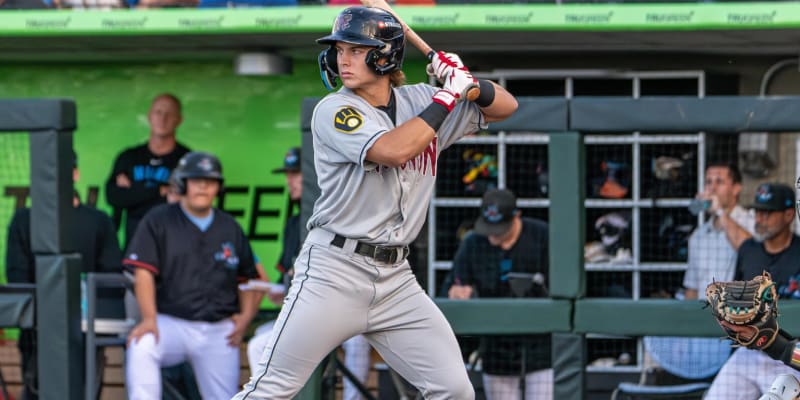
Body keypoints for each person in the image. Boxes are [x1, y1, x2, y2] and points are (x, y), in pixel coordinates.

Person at [234, 6, 517, 399]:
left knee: (454, 390)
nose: (342, 59)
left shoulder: (421, 99)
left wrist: (470, 85)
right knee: (272, 389)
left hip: (395, 278)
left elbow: (506, 106)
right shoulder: (333, 108)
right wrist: (448, 96)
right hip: (335, 271)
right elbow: (394, 149)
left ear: (385, 55)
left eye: (356, 49)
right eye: (339, 50)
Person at [124, 151, 259, 399]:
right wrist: (149, 318)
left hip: (217, 328)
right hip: (171, 323)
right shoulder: (159, 219)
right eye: (197, 180)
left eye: (210, 181)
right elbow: (142, 272)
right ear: (183, 184)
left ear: (218, 187)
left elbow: (249, 279)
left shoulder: (229, 226)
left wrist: (246, 318)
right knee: (141, 346)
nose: (203, 187)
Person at [245, 146, 374, 400]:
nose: (289, 181)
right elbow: (287, 278)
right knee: (259, 341)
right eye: (288, 174)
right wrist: (280, 290)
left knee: (357, 341)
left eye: (295, 174)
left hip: (345, 309)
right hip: (308, 312)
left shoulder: (340, 213)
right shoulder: (294, 224)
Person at [5, 151, 122, 400]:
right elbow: (16, 275)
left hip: (84, 332)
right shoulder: (23, 219)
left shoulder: (99, 221)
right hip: (36, 333)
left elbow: (110, 273)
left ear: (76, 174)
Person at [447, 188, 552, 400]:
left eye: (500, 229)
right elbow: (452, 284)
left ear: (517, 216)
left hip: (541, 348)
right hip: (496, 350)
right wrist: (458, 291)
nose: (493, 235)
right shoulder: (473, 242)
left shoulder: (542, 235)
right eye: (489, 229)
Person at [705, 182, 800, 400]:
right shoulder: (750, 251)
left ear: (788, 215)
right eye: (757, 211)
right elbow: (736, 234)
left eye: (767, 212)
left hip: (792, 357)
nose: (760, 218)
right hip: (749, 354)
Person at [105, 93, 191, 249]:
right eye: (158, 112)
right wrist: (159, 191)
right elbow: (113, 197)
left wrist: (134, 192)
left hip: (173, 245)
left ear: (179, 120)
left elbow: (187, 203)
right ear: (149, 116)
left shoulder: (187, 160)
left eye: (169, 114)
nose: (162, 119)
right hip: (134, 246)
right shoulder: (129, 157)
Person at [682, 163, 754, 300]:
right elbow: (692, 288)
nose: (712, 188)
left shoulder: (751, 222)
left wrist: (720, 211)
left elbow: (750, 250)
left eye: (719, 182)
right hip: (704, 316)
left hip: (738, 314)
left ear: (736, 188)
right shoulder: (698, 235)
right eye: (708, 182)